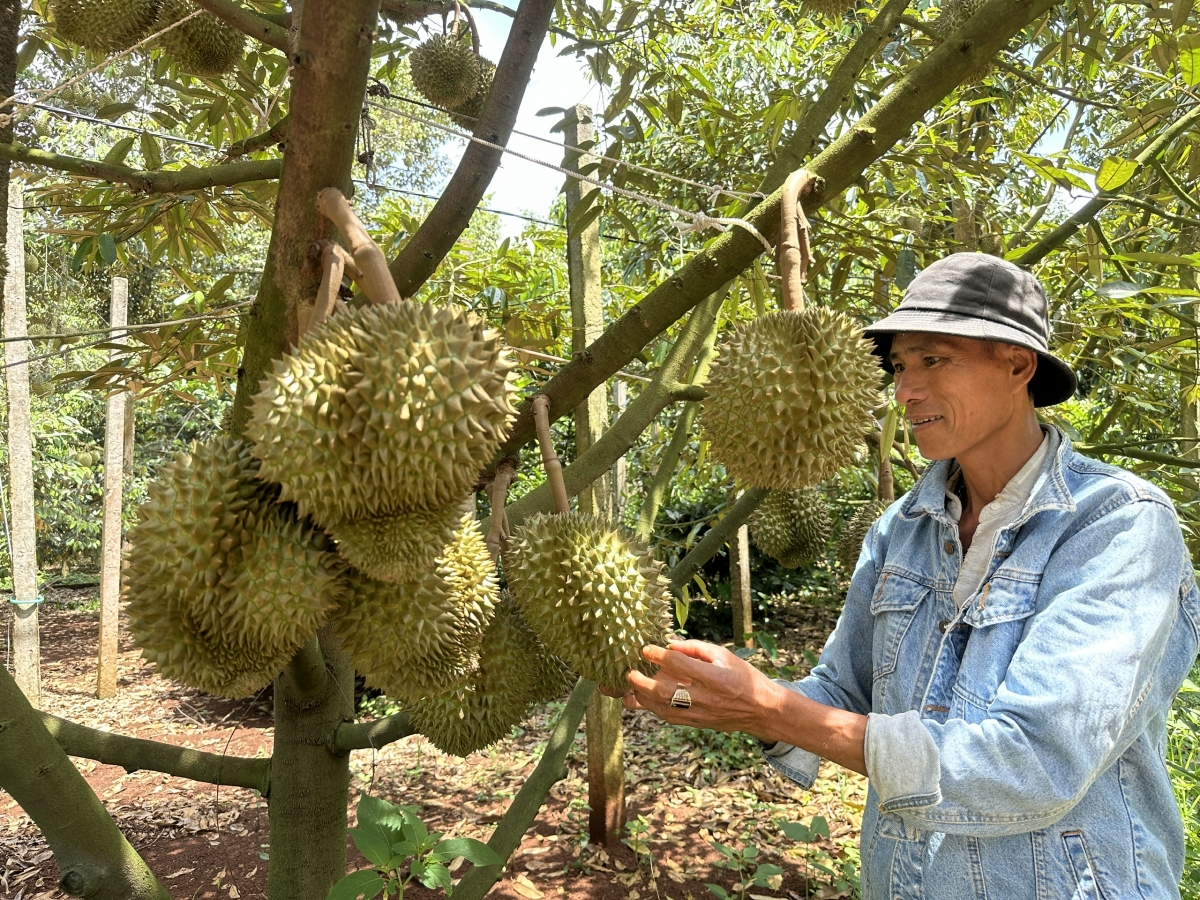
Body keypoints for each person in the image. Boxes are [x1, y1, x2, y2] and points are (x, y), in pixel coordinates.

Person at [618, 252, 1200, 899]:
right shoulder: (903, 527)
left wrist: (774, 711)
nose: (905, 389)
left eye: (934, 360)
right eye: (899, 366)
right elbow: (843, 687)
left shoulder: (1118, 525)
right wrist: (722, 697)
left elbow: (1034, 762)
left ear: (1017, 364)